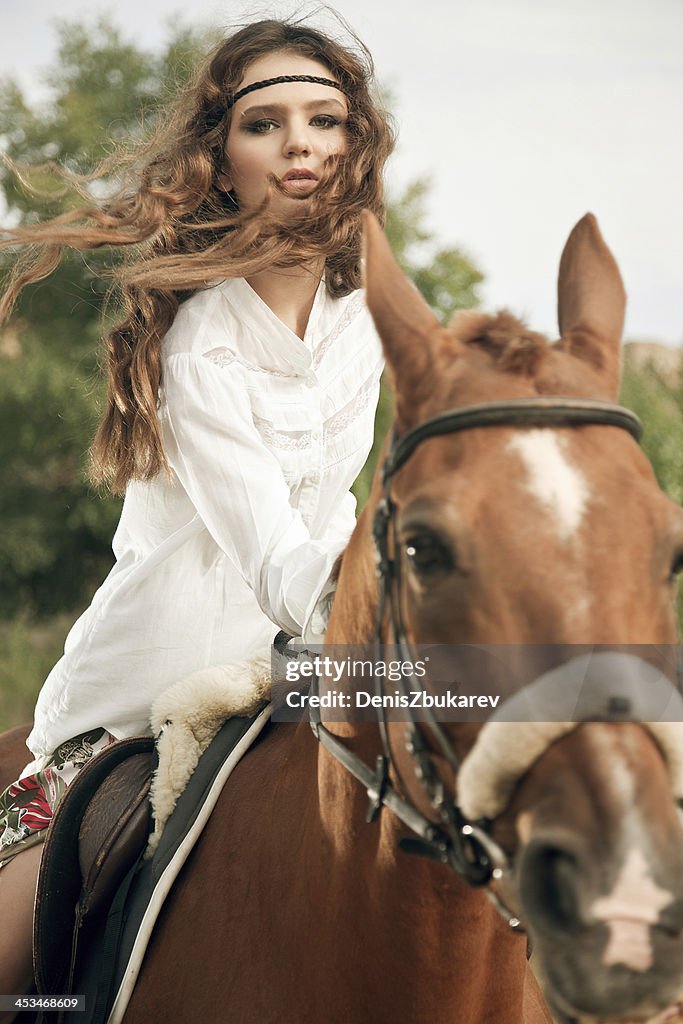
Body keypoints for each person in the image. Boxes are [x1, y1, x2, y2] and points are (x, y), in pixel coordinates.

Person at [0, 16, 395, 1007]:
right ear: (222, 163)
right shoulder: (201, 340)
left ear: (354, 146)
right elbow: (274, 554)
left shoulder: (363, 323)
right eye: (264, 123)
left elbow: (340, 515)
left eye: (324, 118)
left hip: (293, 675)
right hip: (146, 690)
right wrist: (388, 630)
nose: (300, 140)